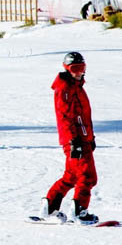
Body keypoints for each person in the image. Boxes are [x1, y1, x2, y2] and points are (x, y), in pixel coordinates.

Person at [40, 52, 99, 225]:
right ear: (67, 69)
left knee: (72, 176)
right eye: (75, 69)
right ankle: (79, 211)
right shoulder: (65, 89)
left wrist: (90, 137)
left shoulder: (76, 87)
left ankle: (50, 206)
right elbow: (65, 117)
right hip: (75, 141)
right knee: (87, 177)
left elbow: (83, 116)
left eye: (82, 68)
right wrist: (74, 141)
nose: (79, 72)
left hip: (82, 139)